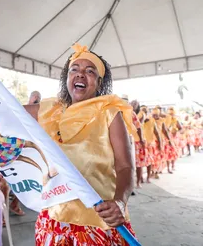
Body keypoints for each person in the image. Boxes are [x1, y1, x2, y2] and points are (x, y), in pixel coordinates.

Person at [25, 43, 137, 245]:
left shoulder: (109, 112)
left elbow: (125, 166)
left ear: (100, 82)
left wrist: (119, 202)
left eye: (90, 71)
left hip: (98, 222)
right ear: (67, 78)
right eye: (74, 70)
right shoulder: (50, 110)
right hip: (54, 221)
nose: (80, 75)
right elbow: (5, 110)